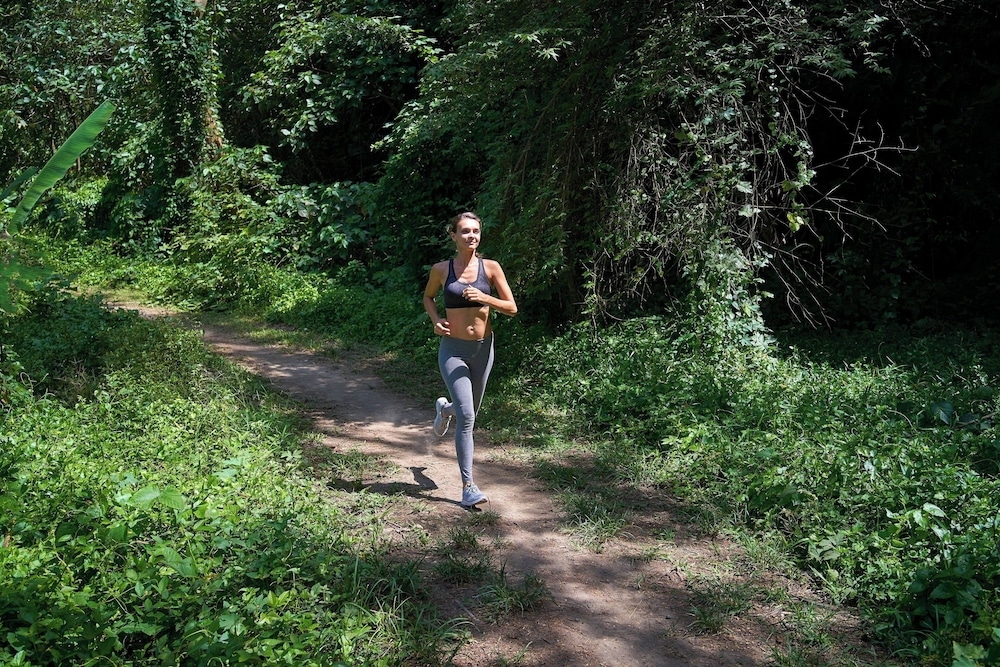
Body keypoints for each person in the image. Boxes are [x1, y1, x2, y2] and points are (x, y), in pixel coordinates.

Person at [422, 212, 517, 508]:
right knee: (469, 419)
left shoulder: (490, 268)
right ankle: (468, 486)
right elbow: (428, 298)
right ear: (453, 235)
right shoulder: (441, 269)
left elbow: (511, 307)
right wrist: (436, 320)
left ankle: (444, 409)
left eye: (475, 231)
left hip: (482, 350)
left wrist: (485, 297)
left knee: (468, 409)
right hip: (452, 349)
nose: (471, 236)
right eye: (464, 231)